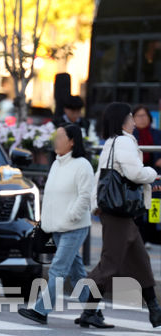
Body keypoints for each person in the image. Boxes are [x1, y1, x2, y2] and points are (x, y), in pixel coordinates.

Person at [83, 102, 161, 329]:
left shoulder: (112, 141)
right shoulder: (125, 141)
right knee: (110, 264)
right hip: (119, 212)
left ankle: (155, 311)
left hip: (116, 211)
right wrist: (152, 173)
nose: (133, 121)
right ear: (122, 120)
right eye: (130, 117)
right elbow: (135, 173)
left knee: (141, 260)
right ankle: (87, 308)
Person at [18, 124, 94, 325]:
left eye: (60, 137)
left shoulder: (82, 165)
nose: (56, 141)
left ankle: (41, 311)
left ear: (72, 141)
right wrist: (46, 222)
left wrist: (71, 216)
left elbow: (85, 196)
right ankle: (93, 312)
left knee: (58, 269)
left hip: (74, 227)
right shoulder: (57, 164)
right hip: (57, 227)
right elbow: (51, 197)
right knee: (77, 272)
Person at [131, 105, 161, 245]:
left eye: (145, 116)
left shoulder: (156, 134)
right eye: (139, 116)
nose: (142, 119)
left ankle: (151, 235)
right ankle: (139, 237)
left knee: (153, 205)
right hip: (137, 175)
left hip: (155, 175)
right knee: (137, 206)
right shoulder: (130, 135)